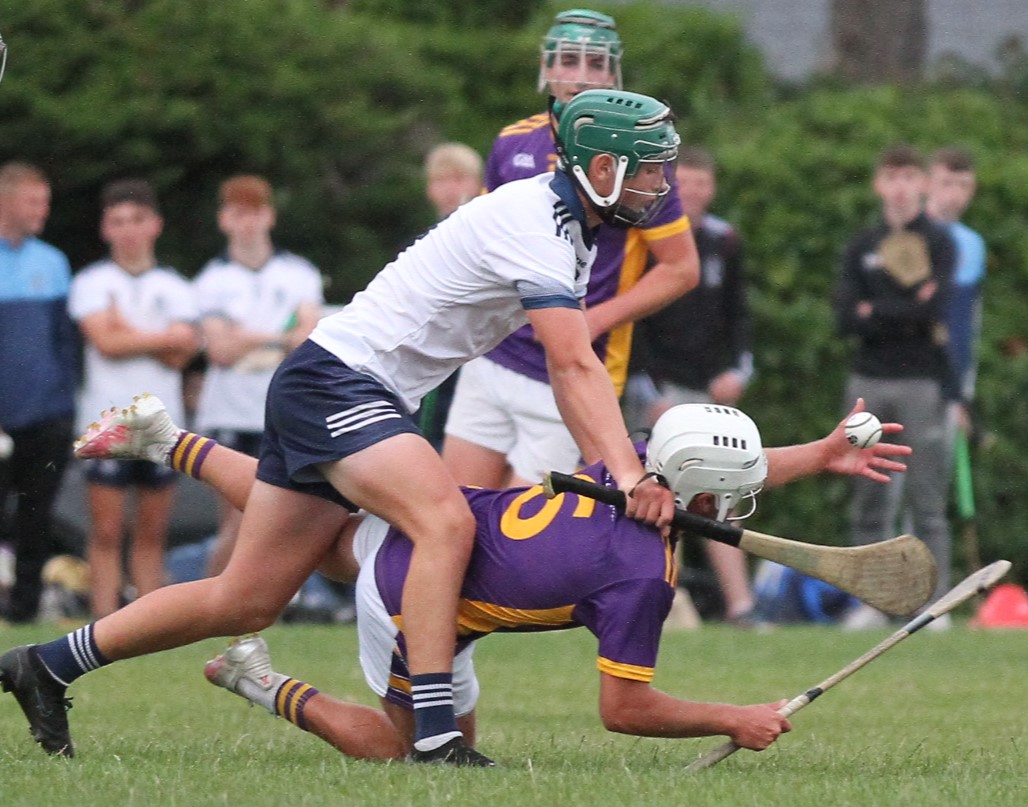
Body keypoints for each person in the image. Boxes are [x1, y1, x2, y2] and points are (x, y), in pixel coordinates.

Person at [0, 89, 678, 764]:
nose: (660, 183)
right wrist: (629, 473)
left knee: (245, 600)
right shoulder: (539, 224)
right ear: (601, 168)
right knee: (445, 520)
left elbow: (570, 374)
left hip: (336, 382)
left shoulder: (573, 229)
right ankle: (438, 737)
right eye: (648, 167)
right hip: (342, 381)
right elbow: (572, 365)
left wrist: (608, 479)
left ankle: (47, 663)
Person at [76, 395, 907, 761]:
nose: (739, 495)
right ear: (689, 491)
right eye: (727, 490)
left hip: (434, 516)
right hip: (415, 596)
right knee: (407, 749)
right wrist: (738, 716)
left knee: (310, 524)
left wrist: (825, 455)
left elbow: (709, 465)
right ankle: (260, 681)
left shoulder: (614, 465)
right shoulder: (641, 575)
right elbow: (623, 710)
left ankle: (167, 438)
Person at [442, 8, 700, 489]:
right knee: (457, 506)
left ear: (614, 73)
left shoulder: (637, 147)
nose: (581, 75)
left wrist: (594, 319)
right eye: (568, 59)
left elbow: (681, 268)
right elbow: (485, 246)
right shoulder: (512, 142)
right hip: (494, 356)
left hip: (572, 370)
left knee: (523, 532)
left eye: (596, 63)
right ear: (547, 67)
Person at [627, 145, 759, 628]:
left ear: (712, 187)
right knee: (654, 498)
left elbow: (740, 317)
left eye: (702, 182)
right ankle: (658, 602)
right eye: (685, 182)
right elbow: (633, 322)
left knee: (720, 494)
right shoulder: (646, 237)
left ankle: (743, 606)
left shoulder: (725, 241)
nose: (694, 191)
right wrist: (649, 391)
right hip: (660, 393)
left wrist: (738, 374)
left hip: (710, 396)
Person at [832, 144, 957, 631]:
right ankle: (872, 600)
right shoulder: (861, 244)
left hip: (922, 380)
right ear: (879, 184)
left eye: (909, 176)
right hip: (867, 381)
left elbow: (936, 309)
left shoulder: (941, 243)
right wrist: (901, 309)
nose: (901, 186)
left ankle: (935, 603)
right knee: (869, 498)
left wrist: (875, 310)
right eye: (892, 176)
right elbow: (845, 317)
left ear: (923, 183)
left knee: (927, 498)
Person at [67, 179, 200, 617]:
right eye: (117, 221)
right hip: (105, 421)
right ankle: (103, 625)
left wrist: (128, 330)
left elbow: (183, 354)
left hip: (162, 422)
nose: (127, 230)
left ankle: (148, 622)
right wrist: (160, 337)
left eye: (136, 220)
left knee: (152, 533)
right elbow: (105, 342)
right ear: (105, 228)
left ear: (155, 225)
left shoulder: (177, 286)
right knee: (106, 532)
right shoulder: (92, 282)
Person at [193, 175, 325, 575]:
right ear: (224, 220)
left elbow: (306, 338)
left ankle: (231, 601)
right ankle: (212, 596)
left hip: (281, 409)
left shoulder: (299, 273)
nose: (247, 223)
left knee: (269, 516)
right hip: (230, 411)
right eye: (237, 214)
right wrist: (276, 338)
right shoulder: (212, 279)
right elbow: (220, 350)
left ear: (268, 216)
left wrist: (247, 337)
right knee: (237, 517)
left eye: (254, 213)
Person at [0, 162, 77, 625]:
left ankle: (24, 609)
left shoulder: (52, 262)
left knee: (36, 513)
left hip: (45, 412)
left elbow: (62, 342)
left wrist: (66, 404)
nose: (43, 210)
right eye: (34, 201)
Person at [412, 143, 484, 453]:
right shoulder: (424, 239)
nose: (450, 189)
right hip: (436, 349)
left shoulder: (483, 229)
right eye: (442, 180)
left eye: (459, 179)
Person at [926, 147, 985, 438]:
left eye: (964, 185)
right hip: (909, 375)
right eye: (947, 183)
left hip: (950, 386)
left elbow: (968, 321)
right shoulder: (908, 237)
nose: (956, 194)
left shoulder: (973, 244)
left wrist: (962, 390)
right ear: (928, 185)